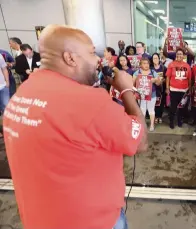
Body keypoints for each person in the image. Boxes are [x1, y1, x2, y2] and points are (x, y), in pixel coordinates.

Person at [3, 24, 147, 229]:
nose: (98, 60)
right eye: (91, 52)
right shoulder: (89, 102)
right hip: (94, 221)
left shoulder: (22, 95)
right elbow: (140, 141)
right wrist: (126, 90)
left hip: (40, 220)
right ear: (70, 58)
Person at [166, 48, 192, 129]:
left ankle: (180, 121)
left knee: (182, 107)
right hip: (174, 89)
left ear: (183, 55)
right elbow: (168, 77)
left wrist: (189, 88)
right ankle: (171, 121)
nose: (179, 55)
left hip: (184, 90)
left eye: (181, 54)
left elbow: (189, 78)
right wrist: (167, 88)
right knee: (173, 107)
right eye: (178, 54)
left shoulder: (187, 65)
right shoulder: (171, 64)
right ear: (176, 55)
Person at [133, 57, 161, 131]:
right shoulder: (137, 72)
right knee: (142, 110)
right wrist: (134, 93)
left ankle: (152, 124)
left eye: (147, 63)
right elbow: (132, 84)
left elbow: (159, 83)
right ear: (140, 65)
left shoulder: (152, 72)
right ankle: (143, 124)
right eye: (144, 63)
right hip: (141, 95)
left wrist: (155, 80)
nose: (146, 65)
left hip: (152, 94)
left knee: (151, 110)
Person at [151, 53, 166, 124]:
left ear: (159, 59)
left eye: (156, 58)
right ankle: (155, 117)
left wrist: (161, 81)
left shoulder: (163, 68)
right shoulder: (150, 69)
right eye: (154, 58)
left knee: (161, 103)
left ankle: (160, 116)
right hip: (153, 89)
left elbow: (166, 78)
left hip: (161, 89)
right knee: (154, 103)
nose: (155, 60)